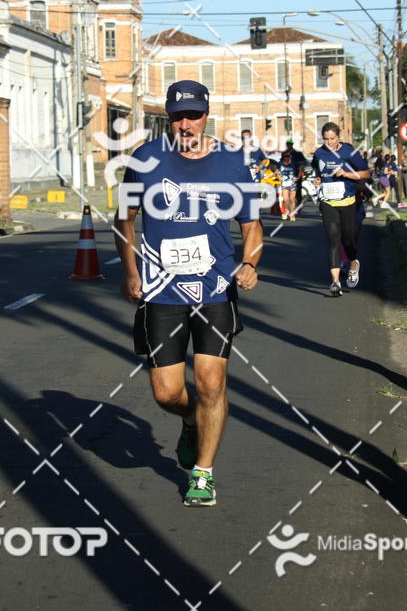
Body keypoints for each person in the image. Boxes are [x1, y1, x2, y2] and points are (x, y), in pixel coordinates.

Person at [114, 80, 264, 508]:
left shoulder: (233, 164)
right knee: (166, 392)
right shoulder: (145, 159)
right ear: (167, 116)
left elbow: (251, 226)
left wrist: (250, 264)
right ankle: (190, 421)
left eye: (193, 115)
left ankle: (203, 472)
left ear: (206, 114)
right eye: (178, 116)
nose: (186, 124)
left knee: (211, 384)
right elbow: (124, 220)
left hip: (216, 288)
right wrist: (129, 271)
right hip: (162, 290)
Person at [312, 122, 370, 296]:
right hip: (327, 202)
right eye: (326, 139)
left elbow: (366, 174)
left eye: (332, 139)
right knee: (333, 240)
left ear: (339, 136)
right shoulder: (319, 153)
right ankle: (335, 282)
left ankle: (353, 263)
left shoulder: (349, 152)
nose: (329, 142)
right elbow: (317, 172)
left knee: (348, 240)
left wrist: (346, 174)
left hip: (347, 201)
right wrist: (317, 181)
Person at [279, 149, 298, 220]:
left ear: (290, 157)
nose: (286, 158)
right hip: (284, 183)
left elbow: (300, 170)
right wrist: (279, 177)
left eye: (288, 156)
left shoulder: (294, 163)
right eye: (285, 156)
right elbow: (277, 170)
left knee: (292, 199)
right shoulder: (280, 163)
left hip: (292, 183)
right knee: (286, 199)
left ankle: (292, 213)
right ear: (283, 157)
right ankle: (286, 211)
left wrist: (297, 178)